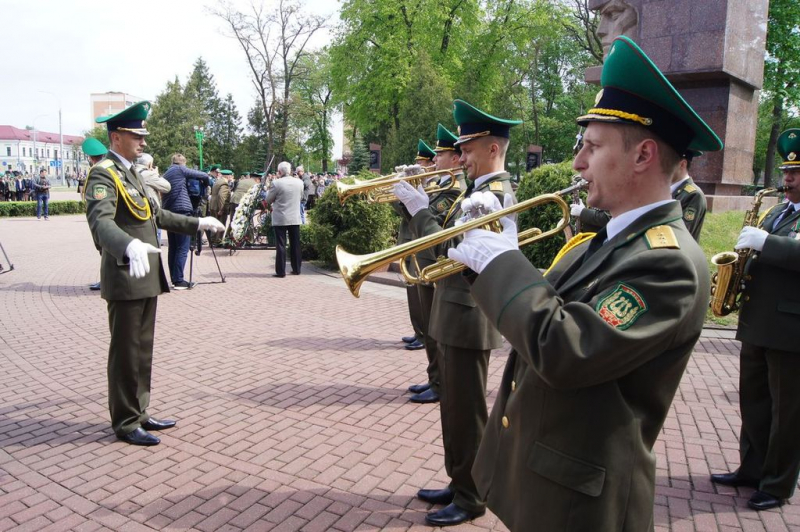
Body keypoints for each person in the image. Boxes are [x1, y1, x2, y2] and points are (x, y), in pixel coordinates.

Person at [445, 36, 721, 531]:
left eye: (592, 148)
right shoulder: (611, 235)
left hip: (579, 504)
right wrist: (480, 259)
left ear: (643, 156)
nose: (577, 163)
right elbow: (546, 309)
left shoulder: (670, 262)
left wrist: (501, 261)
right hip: (547, 479)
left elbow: (565, 348)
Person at [394, 101, 520, 527]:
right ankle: (459, 480)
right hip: (452, 312)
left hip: (469, 316)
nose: (461, 156)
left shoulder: (493, 197)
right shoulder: (474, 191)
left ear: (492, 148)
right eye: (461, 148)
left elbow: (445, 251)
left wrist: (420, 209)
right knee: (453, 409)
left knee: (468, 414)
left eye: (467, 148)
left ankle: (472, 496)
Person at [84, 101, 224, 446]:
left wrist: (197, 223)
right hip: (126, 272)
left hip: (146, 274)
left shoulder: (131, 172)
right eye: (136, 135)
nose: (143, 142)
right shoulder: (104, 174)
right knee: (125, 351)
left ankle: (140, 412)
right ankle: (125, 421)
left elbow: (156, 217)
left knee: (142, 349)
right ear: (117, 138)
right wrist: (126, 245)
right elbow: (100, 221)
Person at [710, 128, 800, 511]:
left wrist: (767, 244)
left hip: (792, 328)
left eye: (796, 173)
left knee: (788, 411)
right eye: (787, 172)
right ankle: (752, 467)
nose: (788, 179)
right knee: (755, 402)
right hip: (759, 320)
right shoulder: (779, 210)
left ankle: (778, 484)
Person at [407, 125, 467, 405]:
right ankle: (434, 378)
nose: (435, 160)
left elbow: (429, 217)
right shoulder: (438, 184)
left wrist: (415, 197)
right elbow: (410, 215)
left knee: (435, 329)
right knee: (431, 329)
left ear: (455, 159)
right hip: (424, 259)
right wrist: (405, 192)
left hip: (436, 261)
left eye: (441, 154)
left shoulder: (455, 189)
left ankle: (440, 383)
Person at [397, 140, 437, 353]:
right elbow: (401, 211)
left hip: (421, 243)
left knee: (420, 294)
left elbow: (423, 216)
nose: (419, 166)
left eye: (422, 162)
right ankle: (418, 331)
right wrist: (400, 190)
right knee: (413, 292)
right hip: (410, 239)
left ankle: (423, 334)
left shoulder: (434, 185)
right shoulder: (420, 184)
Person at [161, 154, 211, 289]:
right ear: (183, 163)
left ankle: (174, 278)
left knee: (173, 247)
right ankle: (179, 281)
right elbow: (204, 175)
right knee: (183, 247)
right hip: (182, 211)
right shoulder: (180, 170)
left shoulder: (166, 173)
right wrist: (206, 187)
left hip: (168, 212)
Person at [265, 161, 303, 277]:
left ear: (280, 172)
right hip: (295, 217)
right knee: (295, 244)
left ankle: (281, 271)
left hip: (281, 217)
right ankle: (296, 269)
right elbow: (300, 197)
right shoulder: (299, 182)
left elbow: (268, 200)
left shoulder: (277, 183)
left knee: (281, 245)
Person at [82, 138, 109, 292]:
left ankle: (107, 280)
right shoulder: (106, 167)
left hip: (100, 218)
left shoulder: (98, 170)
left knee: (105, 250)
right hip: (102, 216)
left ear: (91, 158)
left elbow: (98, 198)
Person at [209, 168, 233, 245]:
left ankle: (212, 240)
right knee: (220, 224)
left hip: (213, 206)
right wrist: (222, 209)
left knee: (214, 224)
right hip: (219, 207)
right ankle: (217, 241)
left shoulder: (218, 181)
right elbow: (222, 196)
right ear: (228, 176)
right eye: (231, 176)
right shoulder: (224, 183)